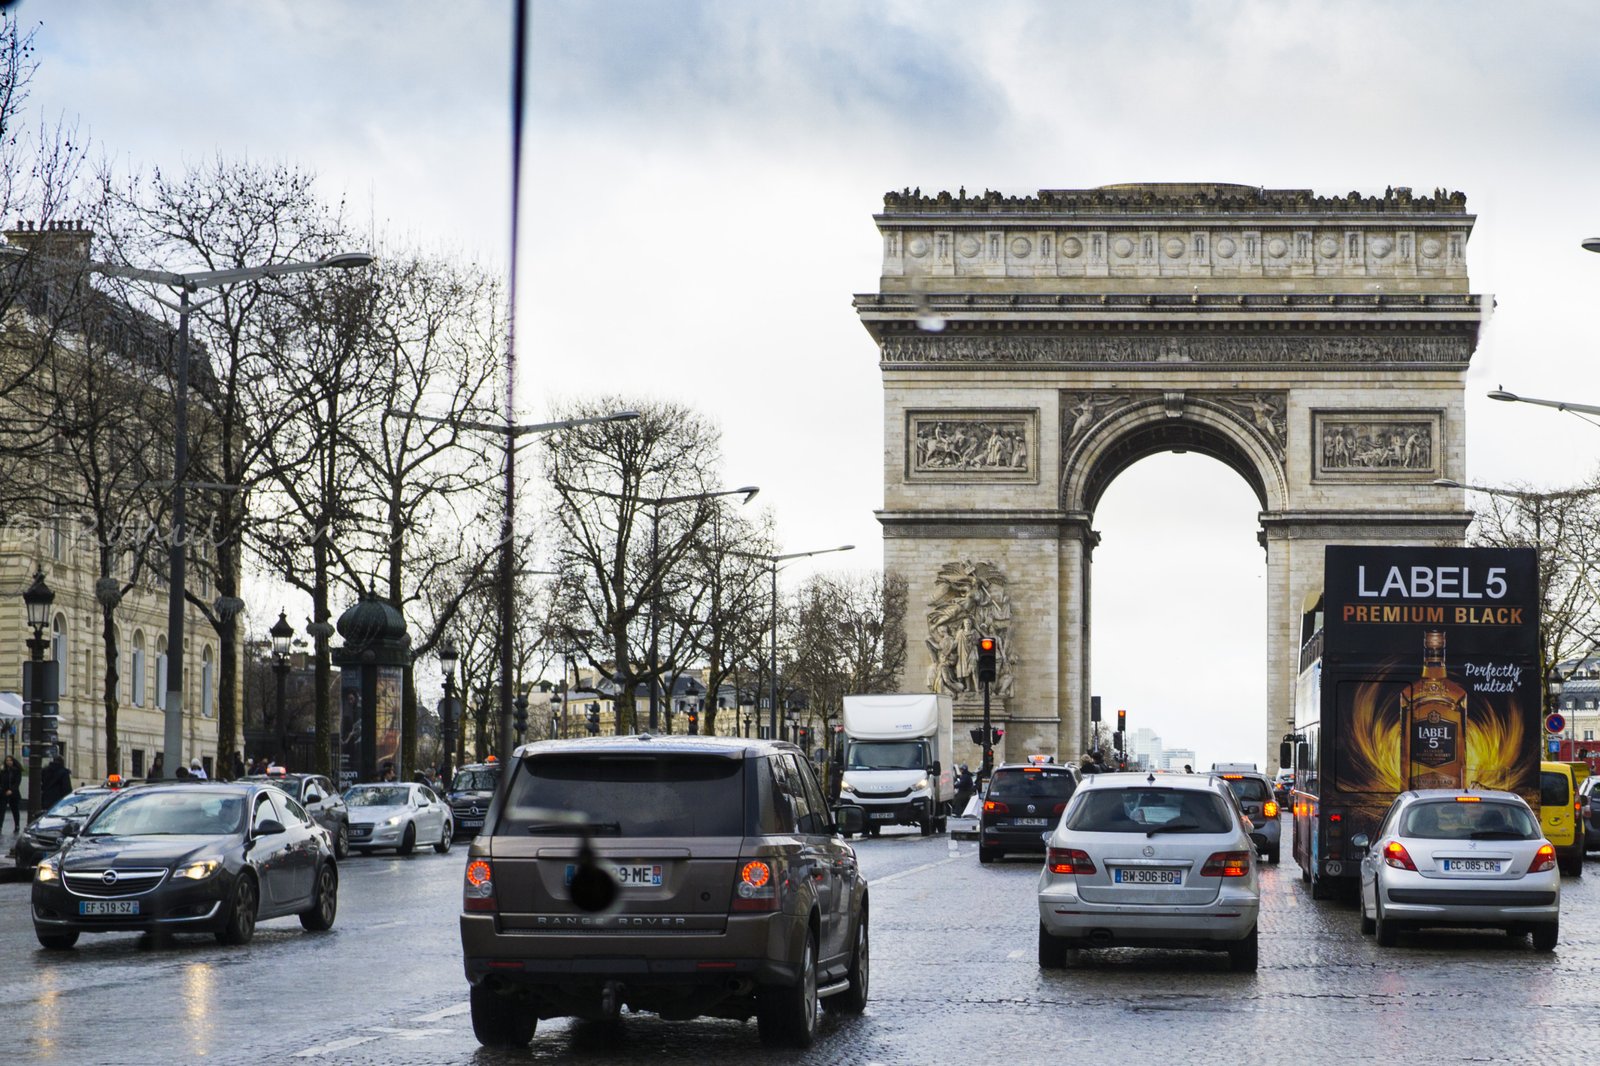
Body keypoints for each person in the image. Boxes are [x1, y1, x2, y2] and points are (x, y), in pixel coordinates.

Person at [0, 755, 22, 831]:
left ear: (13, 761)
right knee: (1, 810)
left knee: (15, 810)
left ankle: (17, 825)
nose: (9, 762)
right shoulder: (3, 771)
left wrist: (12, 790)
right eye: (7, 760)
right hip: (3, 793)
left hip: (14, 793)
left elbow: (17, 782)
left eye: (10, 760)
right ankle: (0, 826)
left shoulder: (17, 771)